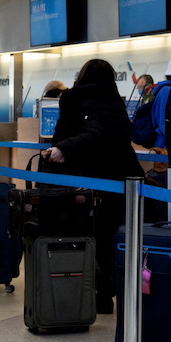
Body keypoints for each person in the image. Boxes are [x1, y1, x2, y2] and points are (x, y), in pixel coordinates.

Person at [43, 59, 143, 314]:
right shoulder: (115, 99)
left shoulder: (76, 98)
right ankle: (110, 293)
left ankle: (92, 294)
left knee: (89, 237)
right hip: (123, 179)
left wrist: (62, 148)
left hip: (89, 179)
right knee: (112, 237)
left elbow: (92, 133)